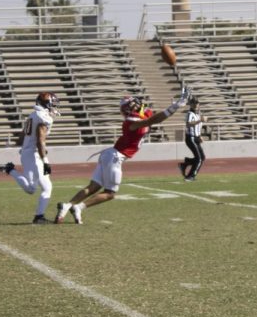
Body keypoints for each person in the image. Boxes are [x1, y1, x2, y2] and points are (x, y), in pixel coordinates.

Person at [55, 86, 191, 224]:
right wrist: (175, 107)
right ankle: (78, 207)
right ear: (128, 109)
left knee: (93, 187)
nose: (137, 104)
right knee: (110, 194)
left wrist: (175, 105)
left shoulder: (143, 113)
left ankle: (67, 206)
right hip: (115, 156)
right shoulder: (130, 122)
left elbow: (156, 116)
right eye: (133, 104)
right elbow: (153, 121)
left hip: (110, 154)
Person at [0, 92, 60, 223]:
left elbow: (24, 134)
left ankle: (9, 170)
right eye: (53, 105)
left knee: (38, 188)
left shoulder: (33, 115)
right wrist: (45, 161)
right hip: (34, 155)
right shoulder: (44, 117)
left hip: (30, 153)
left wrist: (23, 147)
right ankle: (39, 217)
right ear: (47, 104)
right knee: (40, 188)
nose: (54, 108)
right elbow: (40, 141)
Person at [177, 97, 206, 181]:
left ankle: (185, 163)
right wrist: (200, 120)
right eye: (194, 103)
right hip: (191, 138)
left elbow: (198, 126)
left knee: (202, 157)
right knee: (199, 159)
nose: (196, 105)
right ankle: (191, 176)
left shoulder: (198, 114)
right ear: (191, 104)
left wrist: (199, 135)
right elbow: (188, 124)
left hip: (196, 137)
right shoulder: (190, 113)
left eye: (197, 103)